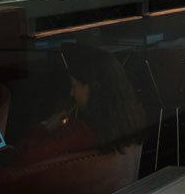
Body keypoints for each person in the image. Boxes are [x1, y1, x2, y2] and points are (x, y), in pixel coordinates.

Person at [12, 44, 145, 166]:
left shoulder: (81, 132)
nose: (71, 93)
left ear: (93, 88)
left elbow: (23, 158)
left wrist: (44, 128)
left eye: (74, 85)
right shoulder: (133, 119)